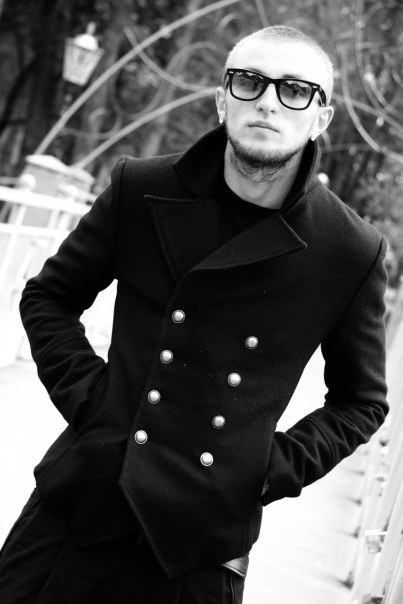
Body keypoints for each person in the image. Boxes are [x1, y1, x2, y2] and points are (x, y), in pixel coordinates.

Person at [0, 24, 388, 604]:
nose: (267, 101)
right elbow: (48, 297)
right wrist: (90, 399)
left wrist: (266, 469)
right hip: (79, 509)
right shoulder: (142, 187)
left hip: (199, 551)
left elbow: (362, 402)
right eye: (250, 81)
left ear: (321, 118)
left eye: (294, 90)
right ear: (223, 99)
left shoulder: (349, 250)